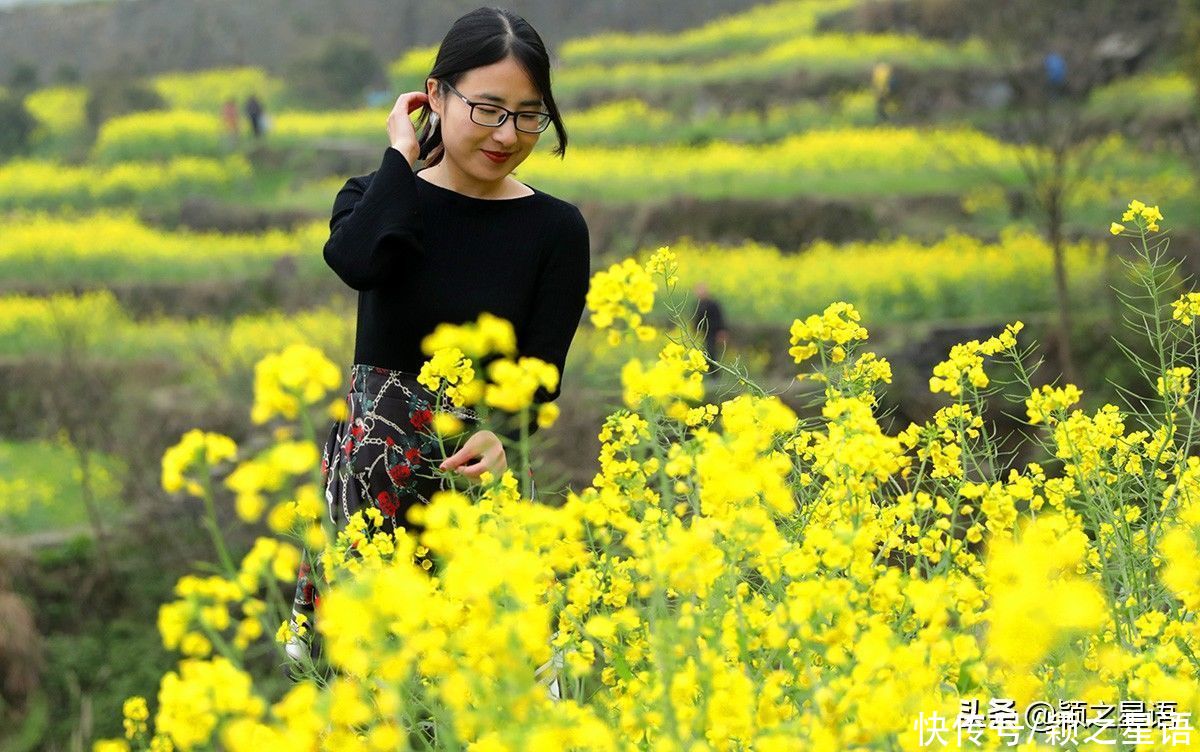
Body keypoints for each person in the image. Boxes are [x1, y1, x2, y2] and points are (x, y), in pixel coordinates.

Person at [287, 7, 589, 700]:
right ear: (436, 94)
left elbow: (542, 373)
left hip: (475, 490)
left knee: (485, 705)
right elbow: (356, 260)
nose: (506, 135)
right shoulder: (376, 199)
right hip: (372, 493)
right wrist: (400, 154)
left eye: (528, 115)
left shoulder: (557, 230)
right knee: (368, 703)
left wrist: (503, 433)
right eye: (487, 108)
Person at [692, 282, 729, 375]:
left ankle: (715, 376)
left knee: (711, 353)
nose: (699, 293)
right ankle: (709, 374)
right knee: (704, 354)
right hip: (703, 334)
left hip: (713, 332)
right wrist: (695, 330)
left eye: (701, 290)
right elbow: (697, 319)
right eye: (698, 291)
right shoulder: (698, 304)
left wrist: (722, 332)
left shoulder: (713, 304)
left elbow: (720, 319)